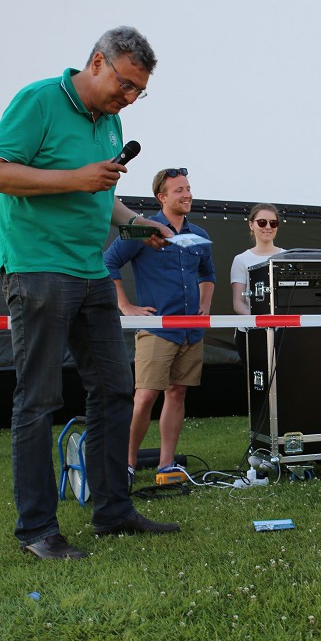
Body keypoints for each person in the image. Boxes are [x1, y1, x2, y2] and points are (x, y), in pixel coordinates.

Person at [0, 26, 179, 560]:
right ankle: (38, 532)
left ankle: (113, 512)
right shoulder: (39, 99)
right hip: (36, 267)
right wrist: (74, 178)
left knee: (114, 389)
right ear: (96, 62)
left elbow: (102, 194)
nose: (129, 97)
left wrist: (140, 226)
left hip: (89, 272)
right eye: (125, 83)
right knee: (38, 400)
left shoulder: (111, 122)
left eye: (139, 90)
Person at [104, 167, 216, 477]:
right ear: (161, 197)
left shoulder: (200, 235)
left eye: (188, 188)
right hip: (157, 329)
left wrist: (205, 303)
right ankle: (126, 464)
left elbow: (208, 273)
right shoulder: (142, 229)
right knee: (145, 397)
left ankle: (167, 464)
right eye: (179, 190)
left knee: (177, 393)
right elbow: (108, 262)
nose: (187, 194)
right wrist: (125, 306)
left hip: (191, 332)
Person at [230, 204, 285, 360]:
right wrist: (260, 322)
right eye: (262, 222)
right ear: (251, 225)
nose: (268, 227)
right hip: (250, 333)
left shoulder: (288, 257)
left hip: (283, 332)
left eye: (273, 223)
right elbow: (238, 302)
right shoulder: (241, 260)